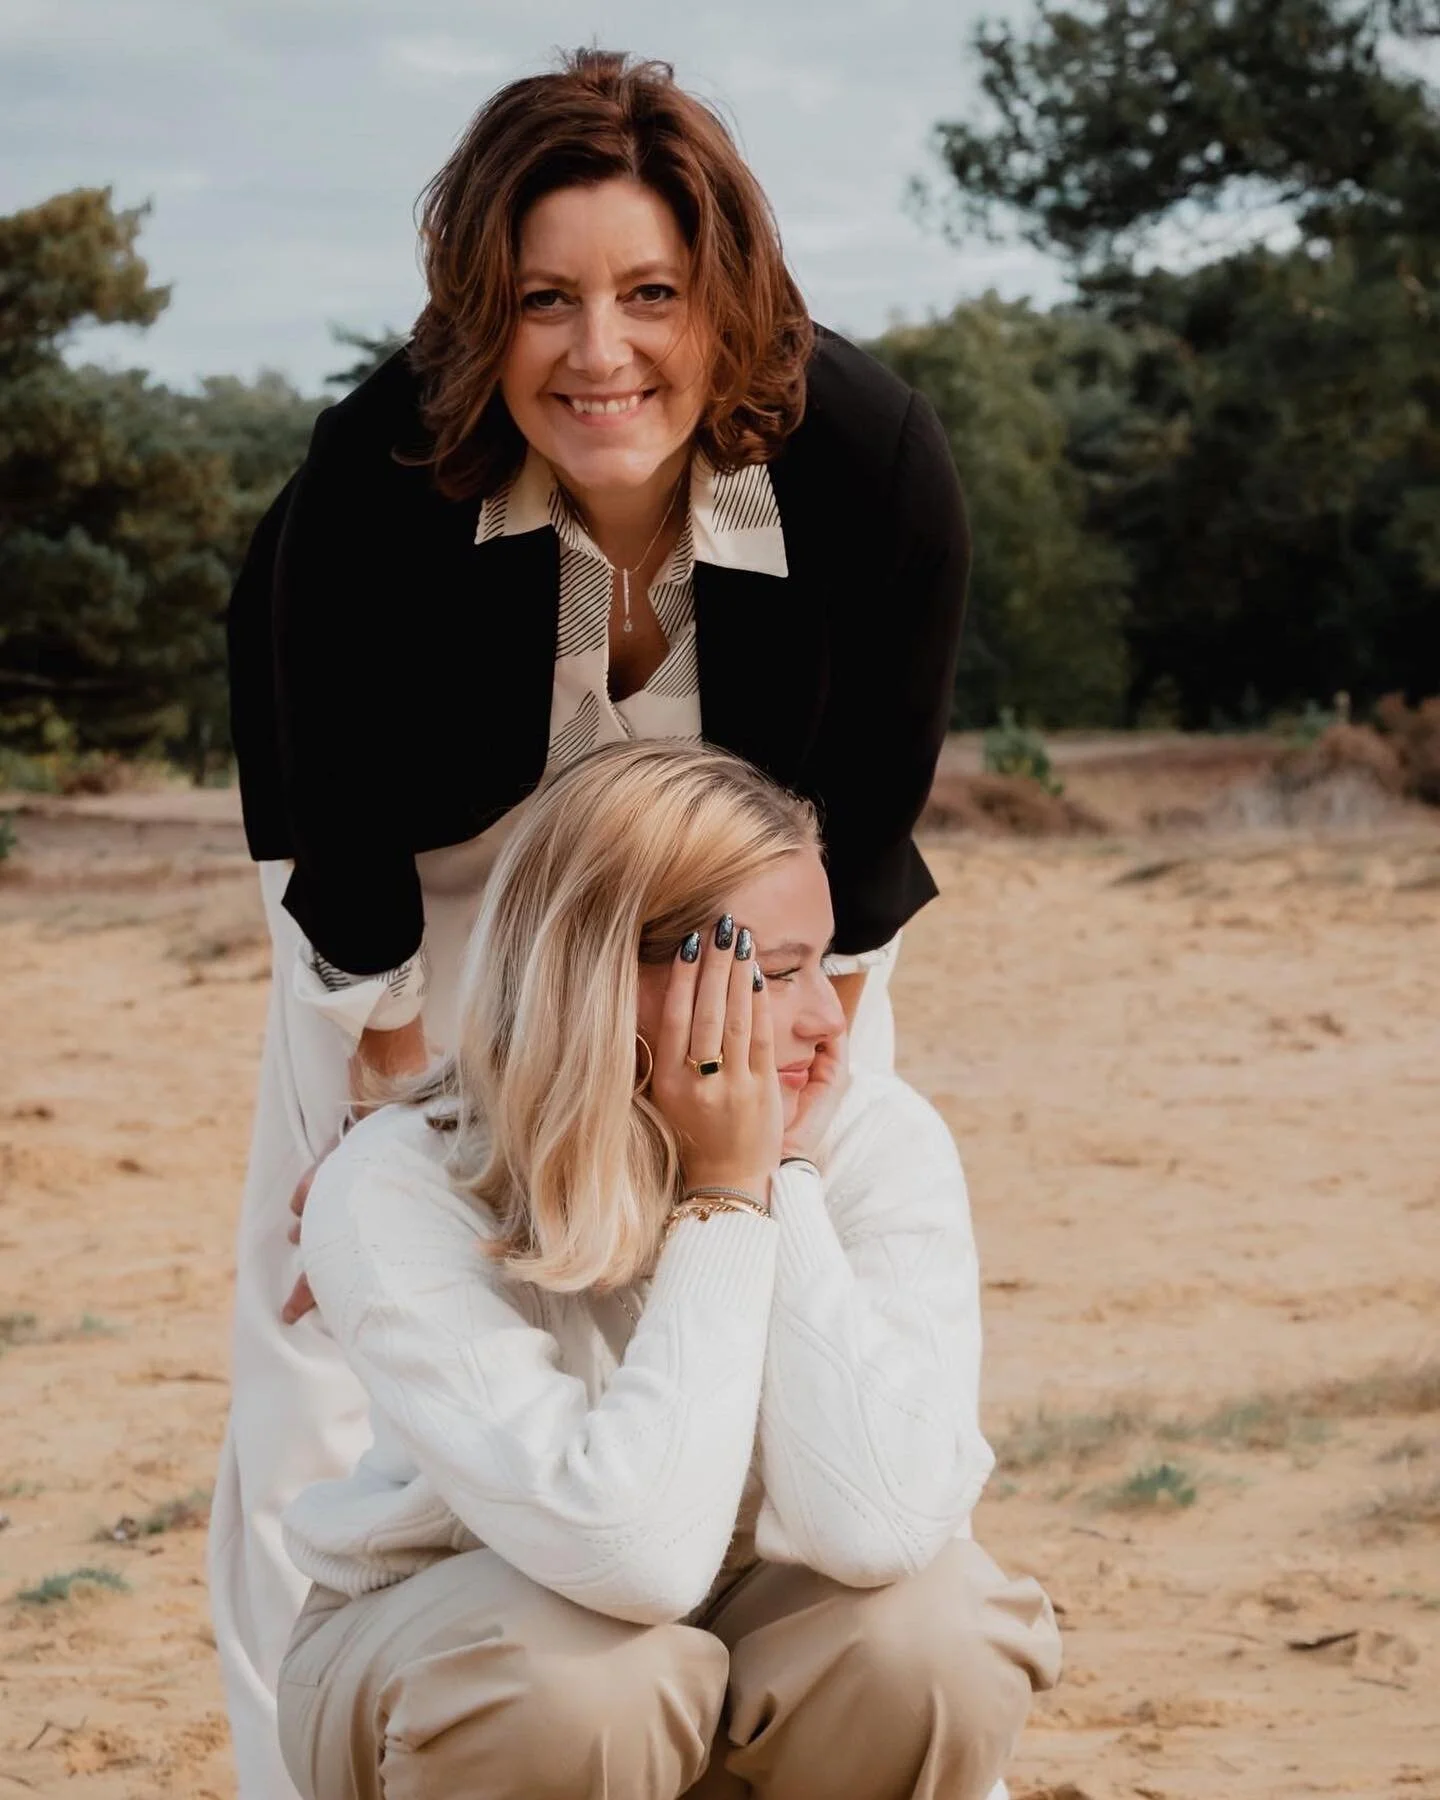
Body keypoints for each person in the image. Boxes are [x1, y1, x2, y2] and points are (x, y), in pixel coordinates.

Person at [215, 48, 972, 1800]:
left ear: (729, 303)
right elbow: (340, 856)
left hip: (741, 854)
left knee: (794, 1233)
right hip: (427, 865)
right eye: (541, 301)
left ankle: (796, 1678)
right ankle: (318, 1746)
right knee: (325, 1325)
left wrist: (809, 1030)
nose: (599, 350)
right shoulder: (375, 478)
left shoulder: (870, 461)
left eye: (651, 294)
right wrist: (381, 1090)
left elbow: (866, 819)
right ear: (482, 315)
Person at [276, 742, 1060, 1800]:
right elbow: (633, 1553)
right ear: (604, 976)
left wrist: (775, 1178)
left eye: (822, 966)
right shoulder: (397, 1183)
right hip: (463, 1645)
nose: (830, 1020)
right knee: (584, 1686)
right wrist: (721, 1203)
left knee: (936, 1637)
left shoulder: (875, 1139)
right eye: (777, 974)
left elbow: (878, 1526)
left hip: (767, 1645)